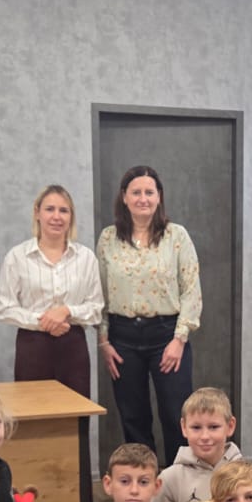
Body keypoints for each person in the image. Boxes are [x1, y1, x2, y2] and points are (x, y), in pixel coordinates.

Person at [96, 166, 203, 459]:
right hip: (122, 338)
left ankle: (179, 480)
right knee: (133, 416)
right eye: (136, 192)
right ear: (124, 197)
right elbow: (100, 294)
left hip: (167, 335)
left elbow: (191, 290)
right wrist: (103, 342)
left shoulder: (176, 236)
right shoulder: (108, 239)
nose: (142, 198)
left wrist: (179, 339)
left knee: (176, 413)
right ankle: (143, 479)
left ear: (159, 197)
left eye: (149, 192)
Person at [0, 183, 106, 397]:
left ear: (71, 217)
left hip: (73, 346)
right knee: (33, 409)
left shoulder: (86, 258)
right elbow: (4, 309)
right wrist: (44, 321)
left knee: (76, 410)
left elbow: (95, 308)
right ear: (37, 213)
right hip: (33, 346)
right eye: (50, 209)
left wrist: (66, 311)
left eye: (63, 210)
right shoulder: (17, 257)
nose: (57, 216)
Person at [153, 386, 243, 502]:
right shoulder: (169, 479)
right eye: (196, 427)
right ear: (184, 427)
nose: (205, 436)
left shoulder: (247, 474)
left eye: (213, 427)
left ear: (230, 426)